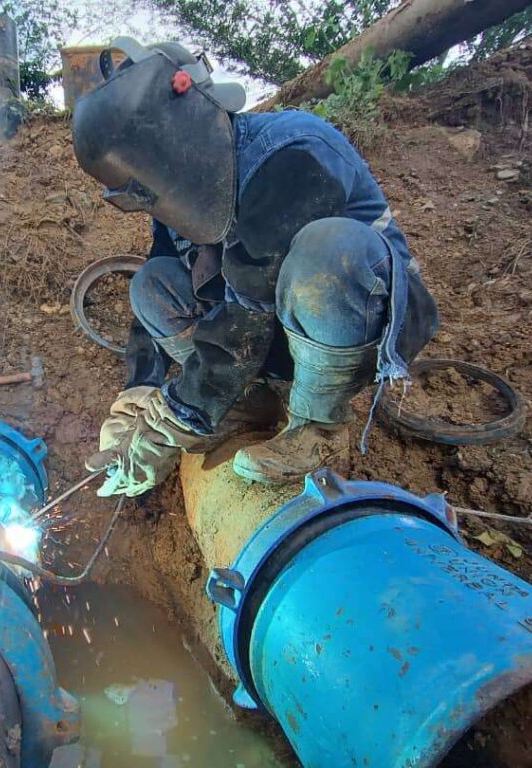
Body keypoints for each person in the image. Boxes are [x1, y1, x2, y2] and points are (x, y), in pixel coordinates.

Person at [72, 37, 439, 498]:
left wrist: (174, 419)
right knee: (152, 285)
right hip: (263, 329)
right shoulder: (184, 199)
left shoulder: (291, 153)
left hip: (348, 319)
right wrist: (137, 390)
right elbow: (165, 272)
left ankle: (318, 428)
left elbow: (250, 313)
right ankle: (247, 402)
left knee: (329, 249)